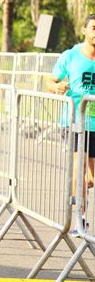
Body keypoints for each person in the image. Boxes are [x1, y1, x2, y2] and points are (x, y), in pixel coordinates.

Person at [47, 13, 95, 229]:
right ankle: (79, 218)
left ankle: (80, 195)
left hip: (94, 124)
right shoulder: (71, 55)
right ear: (84, 30)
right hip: (75, 121)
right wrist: (56, 87)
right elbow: (49, 79)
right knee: (79, 166)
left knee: (91, 178)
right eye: (94, 28)